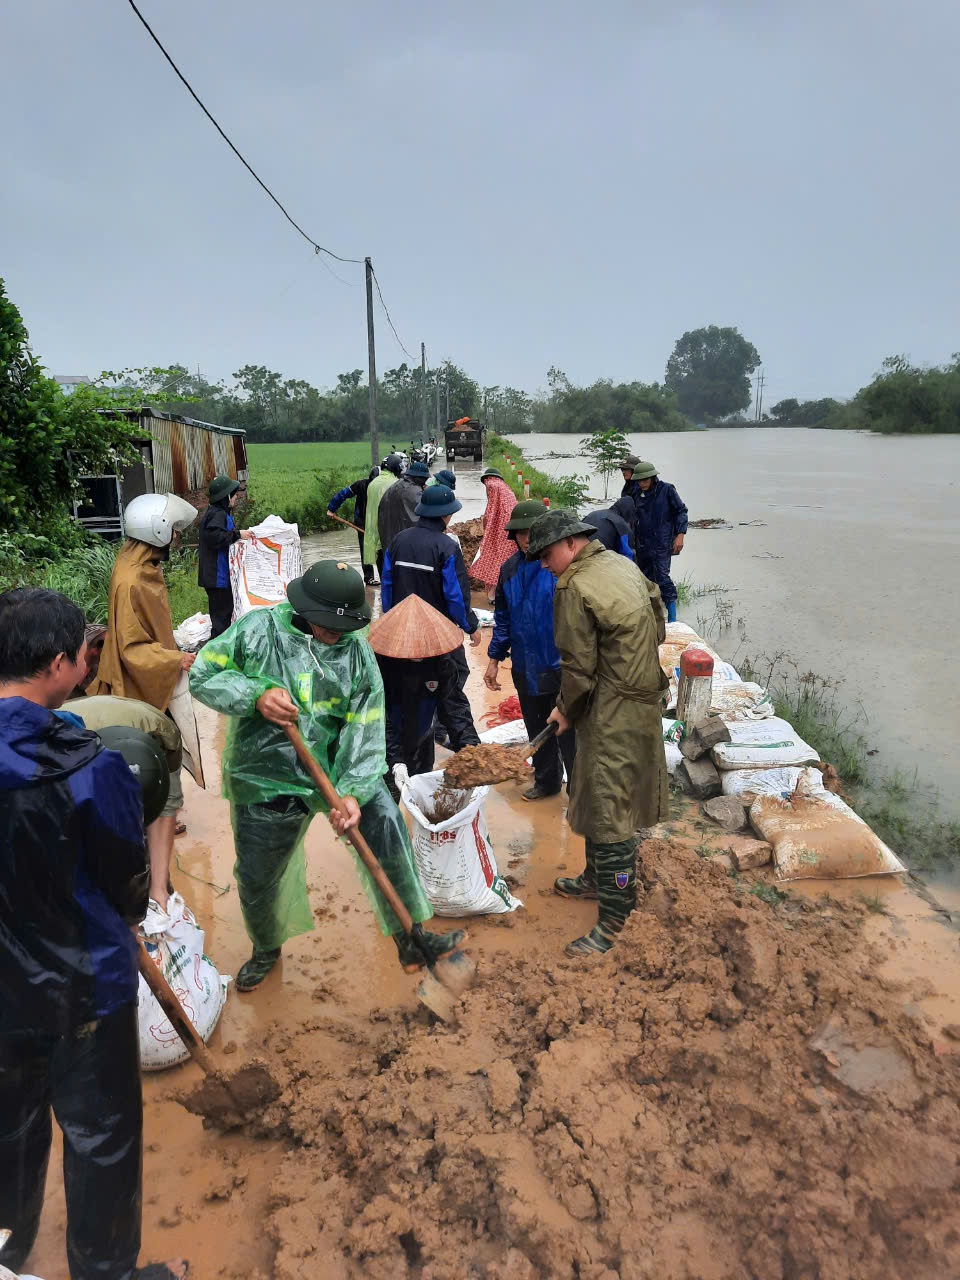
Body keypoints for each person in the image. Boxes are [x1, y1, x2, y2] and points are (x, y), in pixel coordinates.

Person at [0, 587, 187, 1280]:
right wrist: (134, 912)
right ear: (58, 665)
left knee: (8, 1127)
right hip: (85, 985)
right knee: (100, 1136)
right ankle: (105, 1271)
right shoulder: (89, 764)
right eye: (83, 654)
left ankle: (8, 1253)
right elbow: (125, 878)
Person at [189, 560, 466, 992]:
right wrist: (255, 694)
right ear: (307, 609)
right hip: (267, 775)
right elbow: (203, 674)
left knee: (387, 827)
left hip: (337, 769)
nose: (336, 633)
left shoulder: (356, 652)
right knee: (260, 873)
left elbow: (366, 722)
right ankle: (265, 948)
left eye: (345, 625)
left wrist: (354, 792)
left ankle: (410, 936)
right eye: (327, 625)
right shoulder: (257, 630)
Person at [526, 509, 669, 958]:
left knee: (611, 812)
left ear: (572, 544)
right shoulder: (621, 565)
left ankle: (615, 923)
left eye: (548, 556)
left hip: (612, 710)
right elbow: (659, 617)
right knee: (592, 791)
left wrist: (565, 710)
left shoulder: (573, 586)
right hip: (641, 698)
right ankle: (593, 879)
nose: (546, 566)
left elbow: (578, 668)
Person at [62, 694, 187, 933]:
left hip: (140, 727)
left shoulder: (164, 738)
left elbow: (166, 810)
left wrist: (158, 886)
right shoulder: (56, 748)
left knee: (152, 885)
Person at [381, 485, 481, 768]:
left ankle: (402, 758)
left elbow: (387, 585)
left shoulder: (398, 541)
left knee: (399, 697)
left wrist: (391, 622)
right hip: (435, 638)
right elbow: (455, 596)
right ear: (446, 516)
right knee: (451, 685)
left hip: (400, 636)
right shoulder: (446, 547)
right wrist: (470, 626)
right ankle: (456, 743)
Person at [484, 500, 576, 801]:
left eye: (531, 533)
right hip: (525, 665)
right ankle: (547, 781)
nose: (526, 540)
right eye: (520, 534)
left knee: (568, 731)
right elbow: (504, 618)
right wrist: (495, 658)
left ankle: (578, 788)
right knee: (536, 726)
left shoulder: (557, 566)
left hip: (559, 663)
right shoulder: (508, 570)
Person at [93, 492, 199, 709]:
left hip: (156, 659)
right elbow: (130, 649)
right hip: (135, 683)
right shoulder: (131, 580)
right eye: (173, 530)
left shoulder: (142, 565)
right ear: (156, 531)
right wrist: (175, 659)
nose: (176, 536)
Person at [619, 456, 688, 622]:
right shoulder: (634, 493)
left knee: (663, 578)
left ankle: (672, 619)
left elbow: (681, 511)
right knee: (644, 580)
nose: (643, 483)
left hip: (662, 544)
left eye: (645, 480)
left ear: (653, 477)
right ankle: (651, 618)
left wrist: (680, 535)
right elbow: (627, 514)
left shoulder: (667, 490)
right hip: (642, 544)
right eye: (640, 480)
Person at [197, 475, 252, 638]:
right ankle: (217, 657)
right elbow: (216, 538)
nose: (235, 498)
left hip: (218, 577)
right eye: (234, 495)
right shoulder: (217, 515)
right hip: (217, 577)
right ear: (225, 497)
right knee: (221, 620)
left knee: (224, 616)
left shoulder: (217, 513)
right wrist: (238, 534)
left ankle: (221, 653)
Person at [327, 465, 380, 585]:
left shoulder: (384, 488)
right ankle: (369, 578)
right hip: (362, 522)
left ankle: (385, 576)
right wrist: (331, 509)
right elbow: (343, 494)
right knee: (366, 549)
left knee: (381, 550)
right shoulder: (360, 485)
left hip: (378, 522)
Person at [473, 468, 518, 602]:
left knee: (495, 562)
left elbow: (490, 513)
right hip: (511, 533)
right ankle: (500, 594)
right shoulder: (507, 490)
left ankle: (495, 596)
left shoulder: (493, 485)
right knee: (504, 562)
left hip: (500, 534)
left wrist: (486, 527)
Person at [377, 459, 430, 555]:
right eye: (424, 479)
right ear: (418, 478)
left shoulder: (395, 486)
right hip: (405, 547)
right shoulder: (414, 492)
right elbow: (421, 519)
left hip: (389, 542)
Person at [363, 454, 403, 578]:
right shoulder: (397, 484)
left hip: (376, 537)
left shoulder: (372, 484)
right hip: (392, 538)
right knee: (396, 579)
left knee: (384, 577)